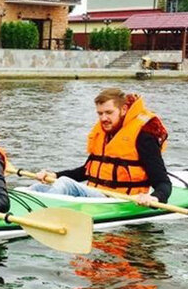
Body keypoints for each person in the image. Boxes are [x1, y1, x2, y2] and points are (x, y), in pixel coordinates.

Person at [30, 88, 170, 206]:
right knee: (37, 187)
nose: (103, 118)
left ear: (123, 109)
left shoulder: (143, 136)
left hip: (119, 201)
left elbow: (163, 182)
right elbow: (86, 171)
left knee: (65, 184)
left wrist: (154, 197)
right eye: (100, 113)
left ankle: (41, 211)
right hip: (96, 195)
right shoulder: (104, 133)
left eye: (109, 112)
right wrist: (55, 174)